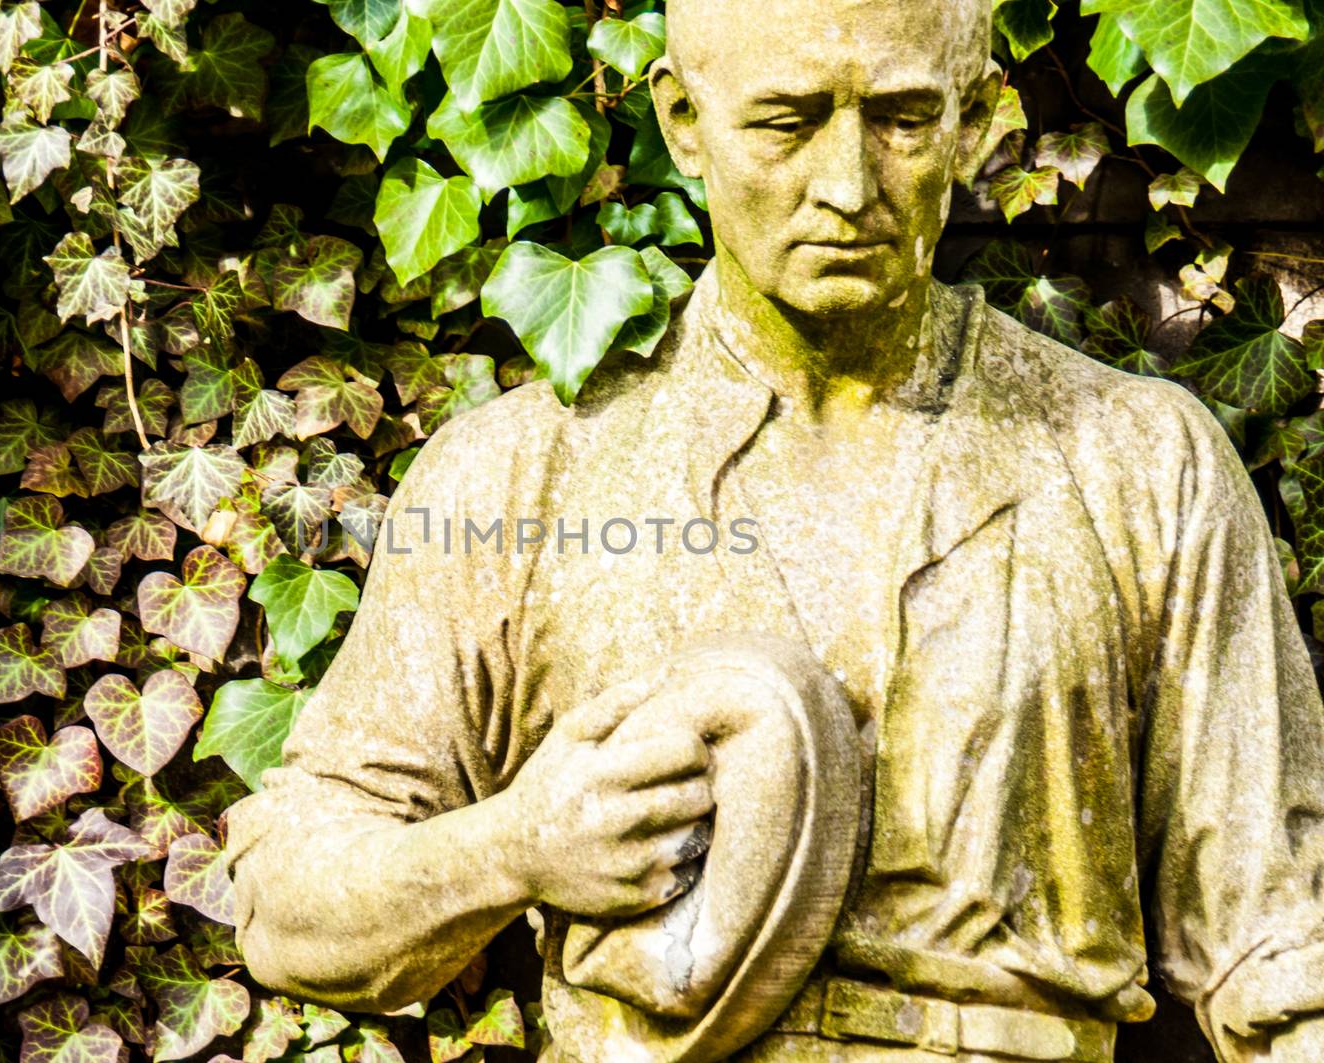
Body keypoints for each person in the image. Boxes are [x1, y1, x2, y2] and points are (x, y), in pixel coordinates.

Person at [224, 1, 1324, 1059]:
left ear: (980, 118)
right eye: (785, 121)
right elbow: (286, 907)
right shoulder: (521, 473)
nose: (846, 187)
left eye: (901, 118)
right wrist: (514, 846)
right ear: (681, 120)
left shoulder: (1137, 460)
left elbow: (1279, 949)